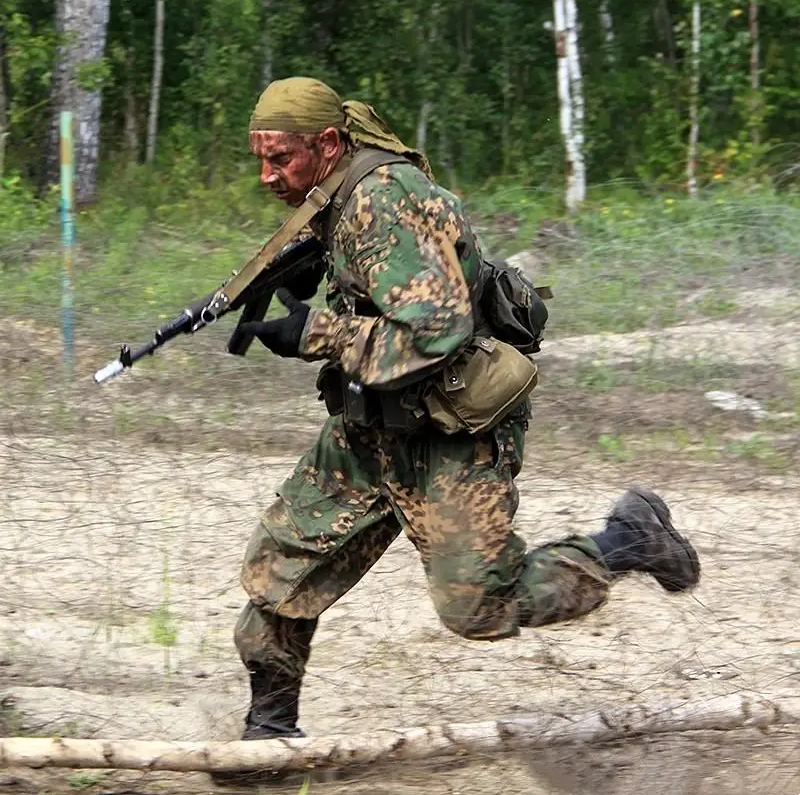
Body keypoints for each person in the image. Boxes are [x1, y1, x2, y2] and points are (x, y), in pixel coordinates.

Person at [230, 77, 701, 741]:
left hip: (451, 430)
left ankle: (629, 539)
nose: (266, 174)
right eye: (260, 157)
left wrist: (314, 333)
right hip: (373, 422)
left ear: (329, 143)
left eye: (280, 158)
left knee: (480, 604)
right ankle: (270, 732)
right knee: (281, 567)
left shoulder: (380, 200)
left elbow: (435, 332)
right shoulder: (338, 196)